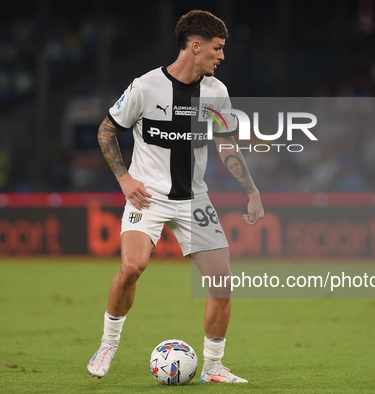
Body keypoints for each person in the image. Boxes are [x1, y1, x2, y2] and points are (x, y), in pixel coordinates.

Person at [87, 10, 263, 383]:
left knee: (222, 282)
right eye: (217, 48)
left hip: (194, 200)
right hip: (146, 198)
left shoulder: (216, 92)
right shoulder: (146, 87)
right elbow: (106, 132)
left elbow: (226, 146)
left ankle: (213, 367)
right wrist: (123, 179)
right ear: (194, 46)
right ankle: (108, 344)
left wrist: (251, 191)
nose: (222, 55)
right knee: (132, 267)